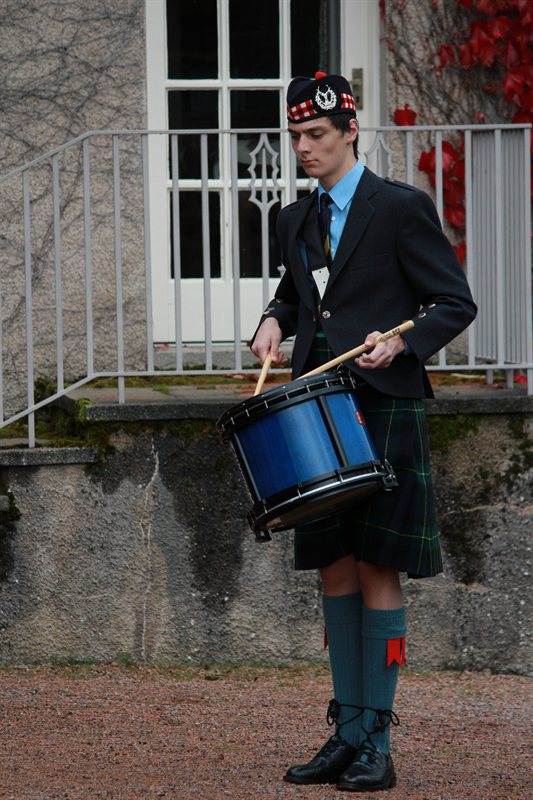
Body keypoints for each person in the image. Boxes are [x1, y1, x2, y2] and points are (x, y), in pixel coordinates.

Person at [250, 72, 477, 792]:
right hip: (313, 406)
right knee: (334, 568)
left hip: (380, 401)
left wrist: (402, 343)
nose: (303, 148)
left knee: (378, 564)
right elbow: (296, 293)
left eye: (315, 135)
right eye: (294, 137)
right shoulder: (295, 218)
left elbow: (452, 301)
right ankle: (345, 735)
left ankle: (376, 741)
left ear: (350, 129)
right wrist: (271, 320)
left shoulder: (400, 209)